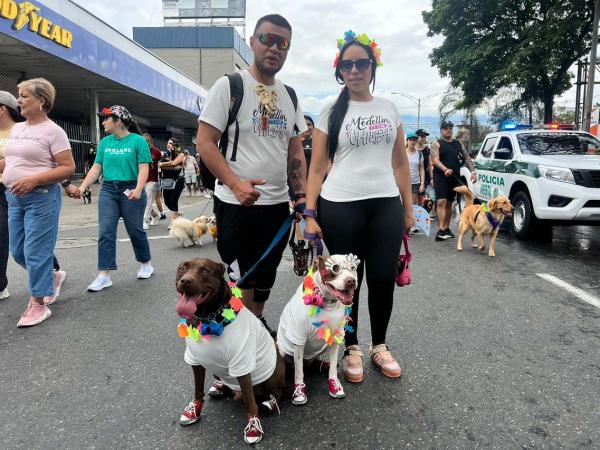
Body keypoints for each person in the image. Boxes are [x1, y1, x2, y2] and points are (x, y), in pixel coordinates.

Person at [304, 31, 414, 383]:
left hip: (385, 205)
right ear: (340, 70)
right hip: (340, 205)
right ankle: (350, 346)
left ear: (372, 66)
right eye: (347, 65)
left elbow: (400, 164)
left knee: (382, 278)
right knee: (349, 281)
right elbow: (317, 166)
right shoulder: (330, 110)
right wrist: (310, 213)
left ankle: (378, 345)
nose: (354, 70)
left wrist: (408, 208)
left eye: (361, 63)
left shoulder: (389, 108)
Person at [196, 13, 307, 337]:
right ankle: (232, 340)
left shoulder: (291, 96)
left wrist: (299, 196)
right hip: (235, 204)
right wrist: (235, 183)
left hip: (275, 208)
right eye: (267, 39)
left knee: (265, 277)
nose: (274, 48)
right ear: (252, 42)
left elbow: (295, 149)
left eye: (282, 43)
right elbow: (205, 142)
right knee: (238, 277)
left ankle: (254, 327)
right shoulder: (230, 86)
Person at [2, 79, 75, 327]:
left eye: (24, 96)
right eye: (18, 95)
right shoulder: (18, 129)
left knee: (35, 251)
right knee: (18, 250)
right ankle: (52, 278)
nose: (19, 100)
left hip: (41, 197)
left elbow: (68, 167)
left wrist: (33, 180)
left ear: (41, 101)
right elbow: (10, 162)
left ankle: (38, 305)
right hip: (13, 196)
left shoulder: (54, 131)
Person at [75, 105, 154, 291]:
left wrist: (138, 188)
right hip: (108, 189)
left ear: (118, 121)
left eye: (106, 119)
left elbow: (144, 168)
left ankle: (145, 263)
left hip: (131, 188)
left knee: (135, 230)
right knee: (105, 232)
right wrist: (83, 187)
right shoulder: (104, 143)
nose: (103, 122)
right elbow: (96, 168)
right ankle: (104, 275)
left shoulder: (138, 141)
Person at [430, 120, 476, 241]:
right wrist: (445, 169)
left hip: (454, 177)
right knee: (441, 201)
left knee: (450, 203)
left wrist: (473, 172)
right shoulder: (436, 144)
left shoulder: (458, 143)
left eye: (450, 128)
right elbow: (435, 160)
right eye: (445, 128)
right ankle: (441, 229)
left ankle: (447, 228)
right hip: (440, 177)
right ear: (441, 131)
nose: (448, 130)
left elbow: (466, 158)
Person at [158, 137, 186, 226]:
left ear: (175, 144)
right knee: (166, 201)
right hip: (167, 181)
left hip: (178, 180)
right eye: (167, 143)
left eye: (170, 143)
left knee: (174, 200)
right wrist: (172, 166)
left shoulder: (181, 154)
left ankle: (173, 222)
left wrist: (163, 164)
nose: (168, 144)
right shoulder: (165, 154)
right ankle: (177, 213)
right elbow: (167, 166)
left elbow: (174, 163)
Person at [142, 133, 163, 230]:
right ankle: (155, 215)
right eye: (143, 141)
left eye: (147, 141)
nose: (145, 143)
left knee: (148, 200)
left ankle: (146, 221)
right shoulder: (139, 151)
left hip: (152, 180)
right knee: (141, 201)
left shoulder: (156, 152)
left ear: (151, 142)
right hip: (141, 179)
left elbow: (160, 164)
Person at [406, 132, 425, 206]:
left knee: (413, 204)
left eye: (414, 140)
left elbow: (422, 169)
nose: (412, 141)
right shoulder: (402, 152)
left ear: (416, 141)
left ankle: (411, 218)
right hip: (404, 182)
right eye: (410, 139)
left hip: (415, 183)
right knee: (404, 204)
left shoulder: (419, 154)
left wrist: (422, 183)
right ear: (407, 140)